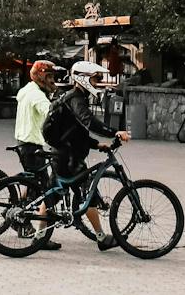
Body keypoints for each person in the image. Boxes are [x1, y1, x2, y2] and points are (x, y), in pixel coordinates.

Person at [43, 60, 131, 251]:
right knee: (85, 193)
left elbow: (76, 131)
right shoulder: (76, 98)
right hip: (68, 157)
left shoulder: (75, 97)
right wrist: (114, 132)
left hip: (64, 152)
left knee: (53, 194)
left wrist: (96, 144)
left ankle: (39, 237)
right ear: (83, 79)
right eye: (96, 78)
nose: (98, 82)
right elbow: (88, 122)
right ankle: (101, 237)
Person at [13, 61, 62, 250]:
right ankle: (33, 230)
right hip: (32, 144)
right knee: (44, 188)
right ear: (40, 76)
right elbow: (49, 112)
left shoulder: (27, 89)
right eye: (49, 76)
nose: (53, 80)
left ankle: (18, 215)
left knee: (33, 182)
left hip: (24, 141)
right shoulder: (36, 95)